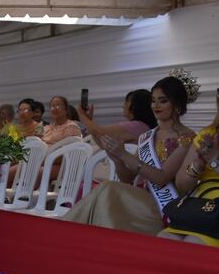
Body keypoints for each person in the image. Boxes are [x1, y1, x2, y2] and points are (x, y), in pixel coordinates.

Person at [64, 76, 195, 235]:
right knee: (106, 189)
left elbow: (162, 178)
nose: (156, 105)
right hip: (141, 199)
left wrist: (124, 154)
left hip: (165, 205)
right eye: (153, 101)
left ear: (177, 104)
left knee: (108, 190)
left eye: (163, 100)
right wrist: (116, 158)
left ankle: (69, 232)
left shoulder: (187, 137)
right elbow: (128, 178)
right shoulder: (148, 136)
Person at [158, 93, 219, 246]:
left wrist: (214, 161)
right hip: (198, 207)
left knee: (193, 244)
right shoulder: (208, 134)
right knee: (162, 241)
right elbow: (182, 185)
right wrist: (199, 163)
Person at [78, 89, 157, 145]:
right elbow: (103, 143)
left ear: (135, 106)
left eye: (126, 102)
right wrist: (88, 120)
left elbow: (101, 133)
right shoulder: (142, 126)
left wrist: (81, 115)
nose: (123, 106)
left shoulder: (136, 126)